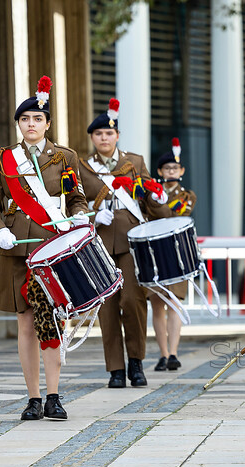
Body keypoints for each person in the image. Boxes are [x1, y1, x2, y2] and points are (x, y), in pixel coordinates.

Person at [0, 76, 90, 420]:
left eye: (37, 119)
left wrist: (78, 218)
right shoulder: (4, 160)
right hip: (17, 251)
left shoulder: (65, 157)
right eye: (25, 119)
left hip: (53, 251)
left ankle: (55, 396)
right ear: (19, 124)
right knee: (26, 323)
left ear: (47, 124)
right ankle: (33, 398)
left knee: (52, 322)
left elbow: (77, 199)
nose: (31, 124)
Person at [79, 98, 171, 388]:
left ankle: (136, 362)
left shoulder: (135, 162)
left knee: (133, 301)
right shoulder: (83, 168)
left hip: (131, 244)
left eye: (109, 133)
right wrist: (94, 216)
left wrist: (158, 199)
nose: (104, 138)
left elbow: (150, 201)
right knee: (106, 307)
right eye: (98, 134)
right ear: (92, 138)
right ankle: (115, 369)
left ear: (117, 135)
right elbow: (74, 204)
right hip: (100, 246)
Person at [151, 138, 197, 372]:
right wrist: (153, 196)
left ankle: (174, 352)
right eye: (167, 168)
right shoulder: (150, 194)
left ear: (181, 171)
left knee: (175, 304)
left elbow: (176, 214)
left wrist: (158, 200)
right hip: (156, 254)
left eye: (175, 168)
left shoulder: (187, 195)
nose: (171, 171)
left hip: (178, 254)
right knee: (157, 304)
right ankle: (163, 352)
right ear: (160, 171)